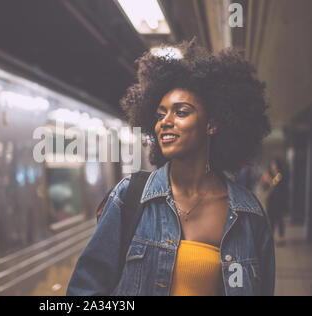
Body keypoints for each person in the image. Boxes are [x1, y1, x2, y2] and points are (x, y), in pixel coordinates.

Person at [67, 40, 275, 296]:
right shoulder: (129, 198)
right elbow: (84, 292)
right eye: (160, 114)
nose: (165, 122)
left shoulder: (249, 215)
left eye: (181, 112)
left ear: (212, 124)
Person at [263, 159, 289, 246]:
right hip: (271, 201)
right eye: (272, 165)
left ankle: (281, 238)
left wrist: (268, 180)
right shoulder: (271, 174)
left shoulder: (279, 175)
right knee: (271, 219)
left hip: (279, 200)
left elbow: (274, 184)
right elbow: (265, 187)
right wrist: (264, 181)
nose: (273, 166)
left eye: (274, 164)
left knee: (279, 219)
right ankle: (271, 237)